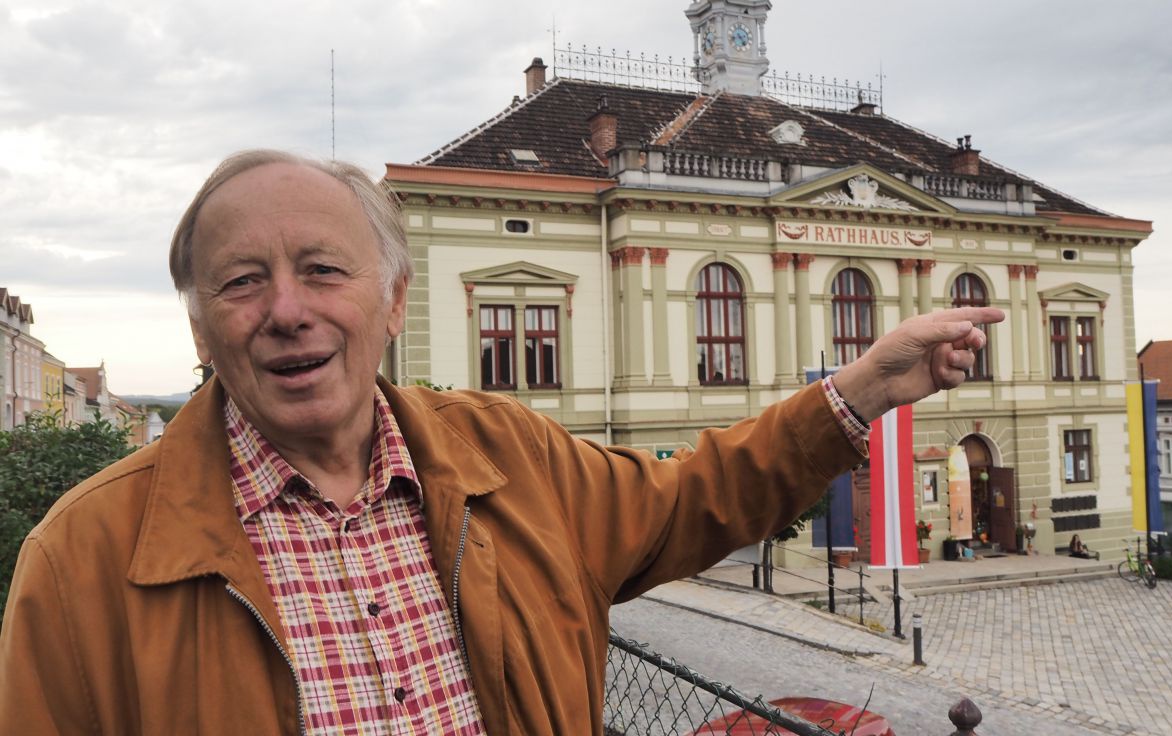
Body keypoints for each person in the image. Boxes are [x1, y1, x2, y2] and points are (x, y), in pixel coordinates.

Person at [0, 150, 1003, 734]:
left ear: (393, 300)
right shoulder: (85, 561)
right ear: (199, 328)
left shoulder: (511, 460)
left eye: (322, 270)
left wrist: (863, 390)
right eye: (242, 281)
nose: (288, 311)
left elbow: (698, 495)